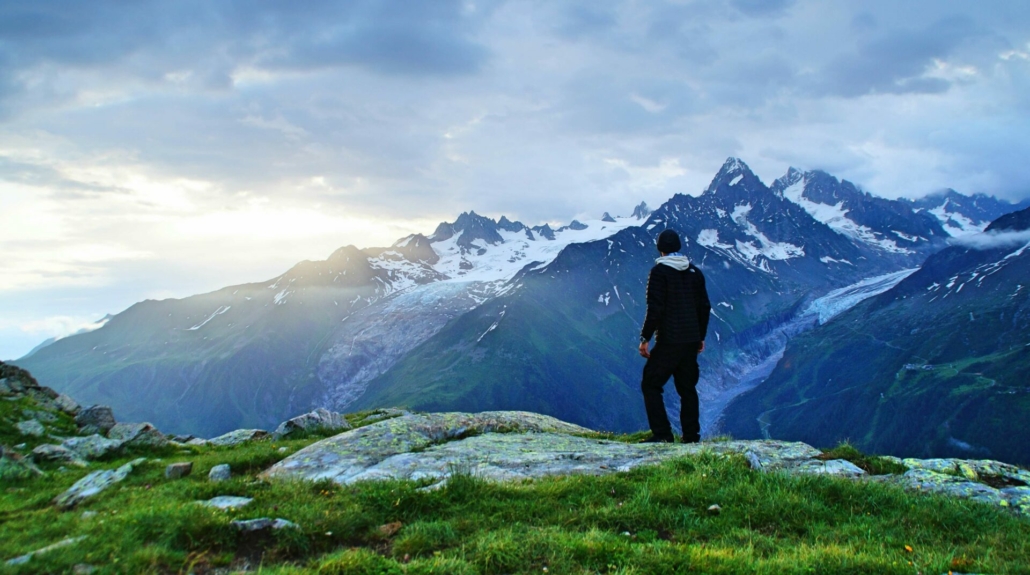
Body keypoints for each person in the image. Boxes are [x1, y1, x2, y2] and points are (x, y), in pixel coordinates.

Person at [637, 228, 711, 443]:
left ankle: (662, 435)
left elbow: (655, 309)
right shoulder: (694, 272)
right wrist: (700, 336)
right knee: (687, 389)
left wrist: (645, 338)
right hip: (690, 341)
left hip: (669, 340)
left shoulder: (659, 273)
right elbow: (704, 306)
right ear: (677, 248)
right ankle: (691, 437)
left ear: (660, 249)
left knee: (651, 384)